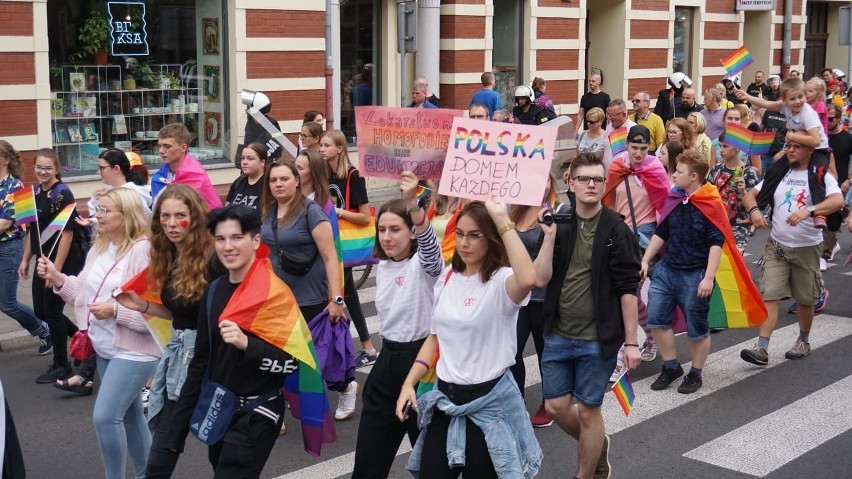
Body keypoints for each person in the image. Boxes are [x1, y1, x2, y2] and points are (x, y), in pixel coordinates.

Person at [395, 200, 540, 479]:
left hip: (488, 405)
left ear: (492, 237)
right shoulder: (448, 277)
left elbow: (529, 278)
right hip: (445, 400)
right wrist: (408, 383)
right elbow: (435, 338)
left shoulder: (502, 281)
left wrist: (503, 220)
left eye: (474, 235)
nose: (464, 242)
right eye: (460, 233)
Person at [161, 205, 300, 477]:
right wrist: (174, 434)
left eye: (237, 238)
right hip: (219, 409)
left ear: (255, 241)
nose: (228, 247)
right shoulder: (213, 291)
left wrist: (247, 345)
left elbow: (291, 364)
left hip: (259, 410)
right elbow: (200, 362)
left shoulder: (275, 294)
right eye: (221, 239)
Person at [38, 187, 160, 479]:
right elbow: (83, 292)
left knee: (106, 418)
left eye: (105, 210)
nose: (97, 215)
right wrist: (57, 277)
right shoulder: (100, 247)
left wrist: (116, 311)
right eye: (97, 208)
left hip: (137, 349)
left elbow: (157, 313)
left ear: (127, 215)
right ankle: (149, 475)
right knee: (130, 415)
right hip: (104, 346)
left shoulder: (145, 251)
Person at [538, 151, 642, 479]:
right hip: (557, 333)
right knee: (555, 406)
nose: (591, 185)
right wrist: (549, 237)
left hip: (597, 339)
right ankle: (597, 446)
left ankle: (586, 474)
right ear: (570, 183)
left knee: (587, 410)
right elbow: (540, 278)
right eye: (584, 179)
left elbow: (628, 289)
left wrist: (631, 343)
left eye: (598, 179)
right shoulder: (561, 221)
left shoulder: (616, 229)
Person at [112, 185, 219, 477]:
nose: (171, 224)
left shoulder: (215, 260)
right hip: (179, 357)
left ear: (195, 218)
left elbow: (219, 317)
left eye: (180, 216)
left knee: (221, 453)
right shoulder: (170, 255)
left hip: (210, 362)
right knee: (162, 452)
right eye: (165, 216)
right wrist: (143, 305)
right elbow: (181, 314)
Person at [352, 171, 442, 479]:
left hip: (421, 366)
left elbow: (431, 251)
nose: (387, 236)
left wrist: (413, 205)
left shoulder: (424, 266)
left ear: (412, 232)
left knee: (431, 467)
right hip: (387, 362)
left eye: (395, 230)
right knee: (367, 464)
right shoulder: (386, 264)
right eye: (382, 230)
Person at [740, 139, 843, 365]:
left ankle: (803, 341)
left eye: (797, 146)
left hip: (807, 248)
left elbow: (838, 201)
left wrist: (810, 211)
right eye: (788, 145)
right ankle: (762, 348)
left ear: (809, 150)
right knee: (770, 294)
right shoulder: (780, 172)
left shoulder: (820, 175)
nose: (791, 150)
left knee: (805, 300)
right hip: (777, 246)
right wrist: (755, 211)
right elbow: (749, 195)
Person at [642, 149, 724, 394]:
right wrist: (646, 260)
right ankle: (671, 367)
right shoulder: (675, 197)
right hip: (667, 269)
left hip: (694, 273)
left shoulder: (710, 202)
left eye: (679, 171)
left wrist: (708, 277)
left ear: (695, 176)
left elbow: (716, 242)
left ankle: (695, 373)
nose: (674, 174)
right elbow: (662, 231)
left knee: (697, 326)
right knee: (656, 319)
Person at [603, 126, 671, 367]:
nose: (639, 153)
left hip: (645, 236)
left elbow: (665, 206)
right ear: (627, 145)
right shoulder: (617, 166)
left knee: (628, 292)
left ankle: (622, 355)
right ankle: (649, 337)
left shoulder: (655, 168)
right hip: (618, 235)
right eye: (635, 148)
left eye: (644, 148)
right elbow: (607, 200)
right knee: (626, 295)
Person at [18, 148, 85, 383]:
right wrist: (26, 259)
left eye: (48, 168)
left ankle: (62, 365)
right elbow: (31, 232)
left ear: (57, 169)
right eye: (39, 167)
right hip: (42, 259)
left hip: (63, 260)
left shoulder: (62, 194)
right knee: (40, 311)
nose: (42, 171)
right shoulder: (32, 193)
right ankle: (83, 340)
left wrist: (55, 271)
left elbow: (67, 235)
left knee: (53, 312)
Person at [736, 77, 832, 229]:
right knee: (773, 171)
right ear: (784, 100)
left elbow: (815, 139)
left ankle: (820, 214)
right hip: (798, 147)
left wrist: (791, 136)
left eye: (801, 97)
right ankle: (759, 208)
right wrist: (747, 97)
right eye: (792, 99)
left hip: (819, 150)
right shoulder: (785, 107)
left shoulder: (808, 113)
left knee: (816, 175)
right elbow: (766, 104)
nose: (798, 102)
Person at [321, 130, 379, 369]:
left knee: (340, 294)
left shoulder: (354, 177)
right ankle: (364, 346)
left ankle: (361, 346)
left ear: (340, 148)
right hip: (331, 242)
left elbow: (366, 217)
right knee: (346, 295)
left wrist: (339, 213)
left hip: (345, 243)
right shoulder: (325, 174)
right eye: (321, 145)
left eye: (326, 145)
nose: (322, 149)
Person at [508, 174, 562, 429]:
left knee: (544, 354)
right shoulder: (514, 213)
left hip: (543, 297)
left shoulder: (555, 214)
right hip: (517, 297)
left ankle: (547, 402)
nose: (542, 186)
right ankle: (516, 401)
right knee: (512, 352)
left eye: (547, 181)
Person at [0, 140, 52, 356]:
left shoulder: (18, 188)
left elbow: (5, 223)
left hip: (8, 249)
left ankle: (43, 330)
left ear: (5, 160)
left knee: (7, 303)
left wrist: (24, 260)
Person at [151, 124, 223, 211]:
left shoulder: (195, 174)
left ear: (183, 148)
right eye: (160, 146)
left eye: (167, 146)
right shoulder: (164, 170)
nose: (161, 151)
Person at [708, 132, 759, 252]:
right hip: (716, 225)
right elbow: (708, 196)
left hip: (738, 228)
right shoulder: (716, 169)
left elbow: (752, 207)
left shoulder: (748, 173)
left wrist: (742, 191)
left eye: (725, 146)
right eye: (720, 146)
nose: (721, 150)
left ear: (737, 148)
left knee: (733, 267)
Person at [821, 105, 852, 271]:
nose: (828, 121)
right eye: (826, 118)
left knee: (833, 220)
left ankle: (825, 254)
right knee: (820, 218)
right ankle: (829, 246)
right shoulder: (822, 136)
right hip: (819, 183)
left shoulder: (847, 138)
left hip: (839, 184)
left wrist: (849, 179)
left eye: (831, 118)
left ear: (839, 119)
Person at [85, 149, 152, 221]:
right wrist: (93, 203)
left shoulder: (131, 195)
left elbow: (142, 224)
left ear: (117, 168)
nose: (98, 172)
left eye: (102, 168)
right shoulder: (117, 192)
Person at [236, 90, 283, 165]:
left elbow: (277, 146)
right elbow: (247, 144)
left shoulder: (271, 124)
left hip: (265, 166)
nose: (246, 110)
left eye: (249, 107)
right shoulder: (250, 124)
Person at [226, 142, 266, 214]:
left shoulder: (268, 183)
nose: (244, 162)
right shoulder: (238, 182)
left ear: (262, 162)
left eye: (250, 159)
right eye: (242, 158)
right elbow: (226, 207)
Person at [603, 99, 637, 167]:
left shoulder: (633, 129)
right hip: (607, 173)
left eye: (612, 115)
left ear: (623, 114)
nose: (610, 118)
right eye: (608, 115)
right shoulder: (609, 127)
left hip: (623, 173)